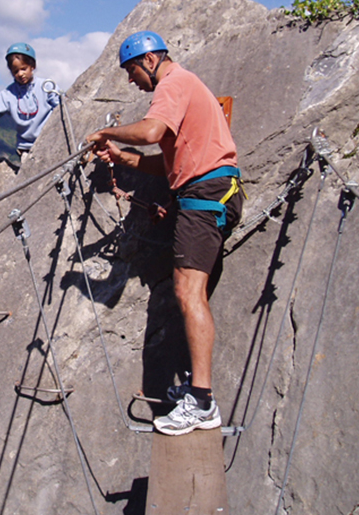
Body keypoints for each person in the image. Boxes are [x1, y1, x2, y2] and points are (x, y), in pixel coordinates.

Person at [86, 30, 243, 436]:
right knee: (190, 291)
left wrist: (108, 134)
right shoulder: (185, 85)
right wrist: (122, 157)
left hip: (205, 194)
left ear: (150, 60)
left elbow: (153, 131)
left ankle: (203, 403)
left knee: (188, 292)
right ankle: (197, 392)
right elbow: (168, 165)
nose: (130, 80)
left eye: (131, 70)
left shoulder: (173, 83)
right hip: (206, 190)